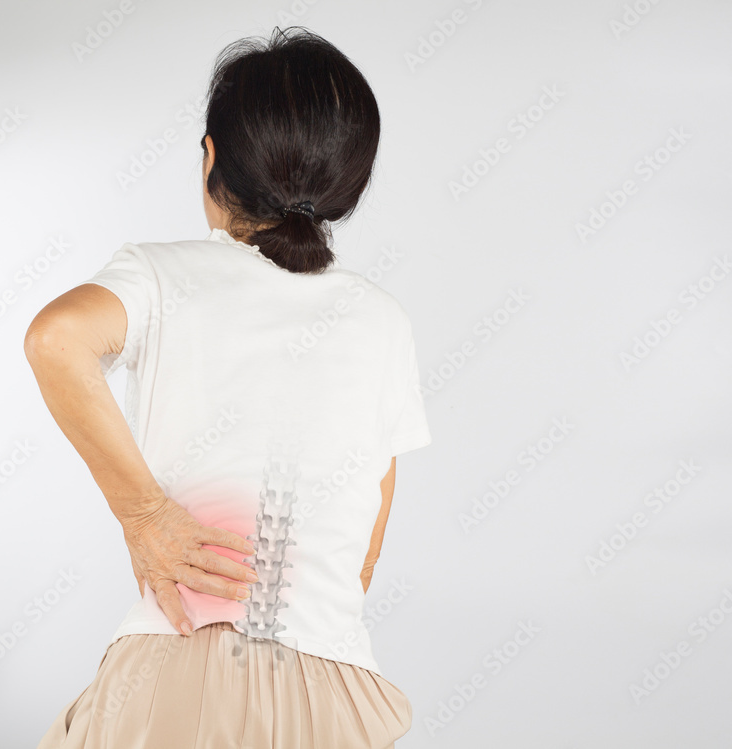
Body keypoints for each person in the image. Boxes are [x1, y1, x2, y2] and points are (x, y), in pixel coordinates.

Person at [25, 26, 432, 749]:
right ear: (348, 186)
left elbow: (56, 338)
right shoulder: (383, 319)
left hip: (175, 672)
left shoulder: (161, 274)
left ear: (211, 157)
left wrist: (144, 513)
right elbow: (368, 536)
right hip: (333, 693)